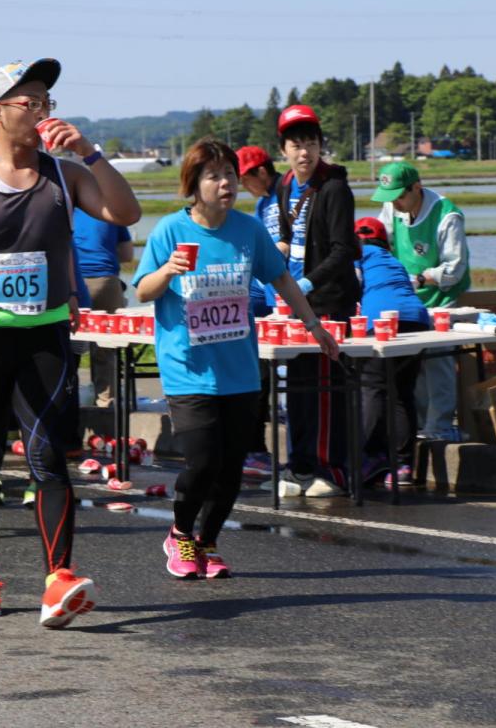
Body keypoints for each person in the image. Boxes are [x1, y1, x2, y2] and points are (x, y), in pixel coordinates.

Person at [0, 58, 141, 626]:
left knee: (49, 459)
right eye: (31, 102)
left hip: (44, 336)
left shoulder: (64, 177)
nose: (44, 112)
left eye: (48, 101)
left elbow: (126, 212)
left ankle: (58, 578)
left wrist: (90, 153)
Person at [136, 139, 337, 578]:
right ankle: (181, 535)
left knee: (231, 470)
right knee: (203, 461)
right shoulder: (171, 231)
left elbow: (282, 278)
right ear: (194, 184)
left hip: (240, 370)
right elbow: (143, 290)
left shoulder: (248, 230)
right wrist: (167, 271)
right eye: (214, 175)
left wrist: (315, 326)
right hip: (188, 369)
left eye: (229, 173)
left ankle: (207, 542)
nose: (226, 183)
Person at [272, 105, 360, 498]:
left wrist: (306, 282)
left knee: (327, 387)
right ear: (284, 149)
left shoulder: (335, 188)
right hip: (296, 301)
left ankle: (331, 468)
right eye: (296, 144)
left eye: (311, 143)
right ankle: (300, 464)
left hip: (329, 300)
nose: (304, 151)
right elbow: (291, 237)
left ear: (321, 146)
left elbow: (345, 249)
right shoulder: (284, 186)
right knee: (300, 385)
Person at [373, 160, 470, 442]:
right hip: (409, 298)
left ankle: (439, 426)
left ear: (417, 187)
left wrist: (421, 277)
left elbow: (455, 268)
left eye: (400, 196)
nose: (395, 203)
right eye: (390, 198)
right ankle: (418, 424)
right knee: (412, 360)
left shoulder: (447, 215)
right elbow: (382, 243)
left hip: (443, 297)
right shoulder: (393, 209)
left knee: (438, 361)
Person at [354, 217, 430, 486]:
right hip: (417, 319)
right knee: (402, 390)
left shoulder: (357, 255)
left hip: (382, 320)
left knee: (372, 386)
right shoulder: (392, 260)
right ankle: (403, 465)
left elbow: (353, 288)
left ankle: (370, 458)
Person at [236, 145, 282, 476]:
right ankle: (254, 447)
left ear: (261, 173)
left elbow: (282, 248)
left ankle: (256, 447)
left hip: (276, 299)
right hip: (261, 298)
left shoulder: (283, 197)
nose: (241, 186)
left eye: (244, 179)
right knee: (257, 375)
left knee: (262, 377)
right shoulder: (264, 202)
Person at [73, 203, 133, 407]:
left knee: (69, 348)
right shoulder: (110, 210)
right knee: (106, 349)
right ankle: (107, 403)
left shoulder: (63, 206)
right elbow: (127, 254)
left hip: (71, 282)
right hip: (106, 281)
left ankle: (68, 399)